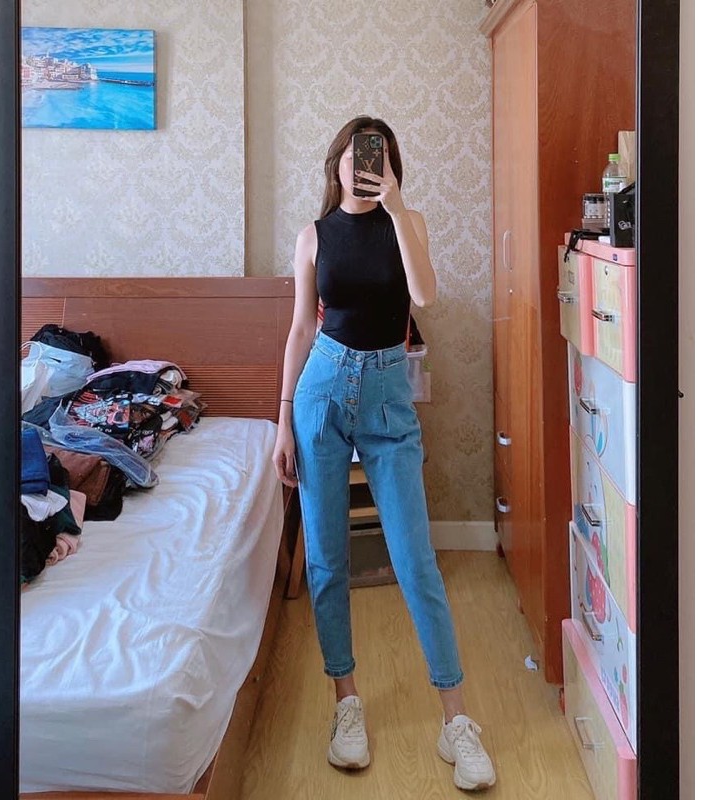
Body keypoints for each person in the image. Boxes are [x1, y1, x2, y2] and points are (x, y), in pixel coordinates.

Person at [271, 115, 497, 792]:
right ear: (335, 163)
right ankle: (346, 703)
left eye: (377, 156)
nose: (363, 165)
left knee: (415, 559)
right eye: (353, 154)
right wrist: (282, 422)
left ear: (390, 165)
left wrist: (396, 207)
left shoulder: (409, 222)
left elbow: (424, 294)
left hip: (389, 398)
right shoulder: (313, 236)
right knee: (327, 559)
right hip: (321, 392)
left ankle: (456, 719)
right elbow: (300, 329)